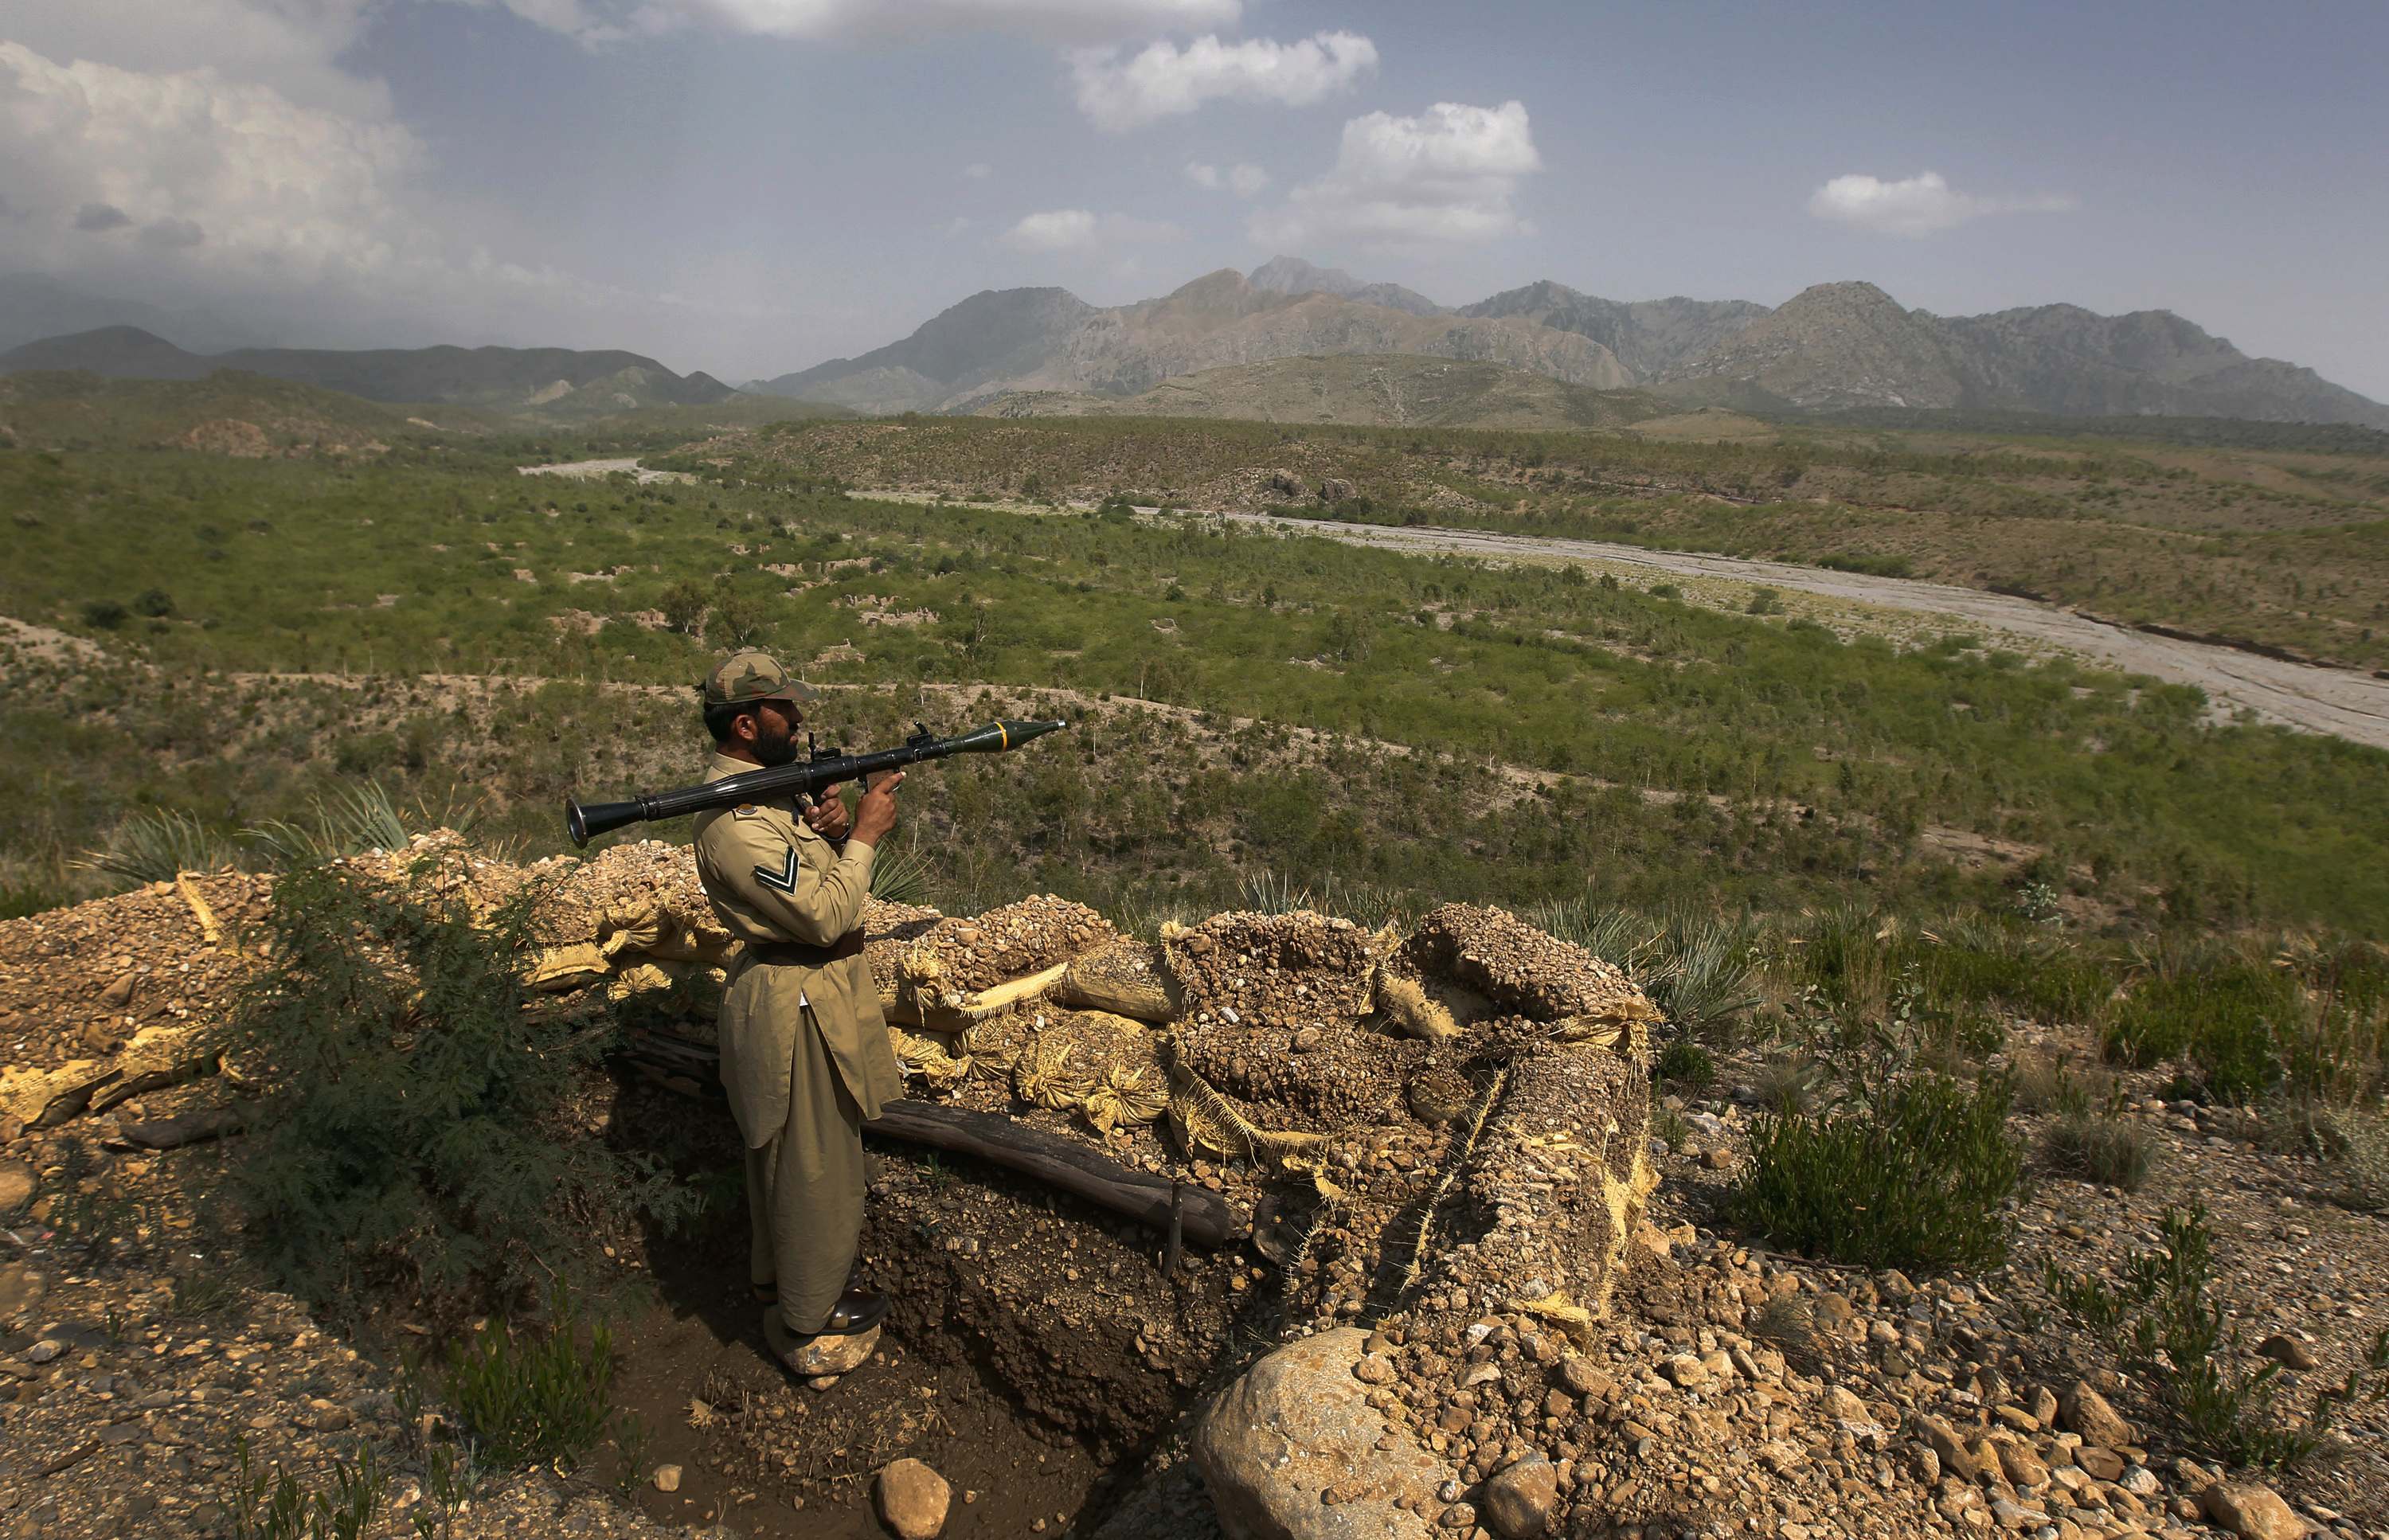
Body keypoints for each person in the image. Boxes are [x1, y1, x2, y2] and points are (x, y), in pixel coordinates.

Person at [688, 650, 906, 1373]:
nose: (798, 718)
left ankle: (780, 1285)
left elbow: (812, 876)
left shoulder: (769, 800)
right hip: (796, 1003)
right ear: (746, 725)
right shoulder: (737, 823)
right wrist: (867, 835)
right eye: (783, 709)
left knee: (793, 1162)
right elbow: (822, 917)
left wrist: (836, 832)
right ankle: (811, 1313)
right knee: (815, 1165)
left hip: (807, 991)